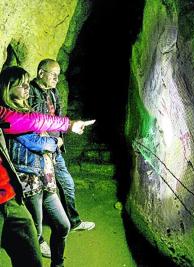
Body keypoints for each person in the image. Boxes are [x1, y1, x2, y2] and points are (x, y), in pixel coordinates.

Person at [0, 67, 93, 267]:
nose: (27, 88)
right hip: (28, 179)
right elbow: (35, 139)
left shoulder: (27, 111)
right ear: (8, 88)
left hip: (45, 176)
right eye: (22, 84)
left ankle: (57, 264)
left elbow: (42, 122)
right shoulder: (7, 115)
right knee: (33, 234)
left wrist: (65, 127)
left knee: (63, 225)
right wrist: (55, 141)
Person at [29, 58, 95, 231]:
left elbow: (58, 117)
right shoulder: (29, 92)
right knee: (39, 192)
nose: (56, 79)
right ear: (41, 73)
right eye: (53, 75)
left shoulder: (53, 92)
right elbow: (36, 121)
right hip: (39, 151)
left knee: (66, 184)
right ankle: (38, 235)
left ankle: (72, 222)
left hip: (54, 148)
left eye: (58, 76)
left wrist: (64, 132)